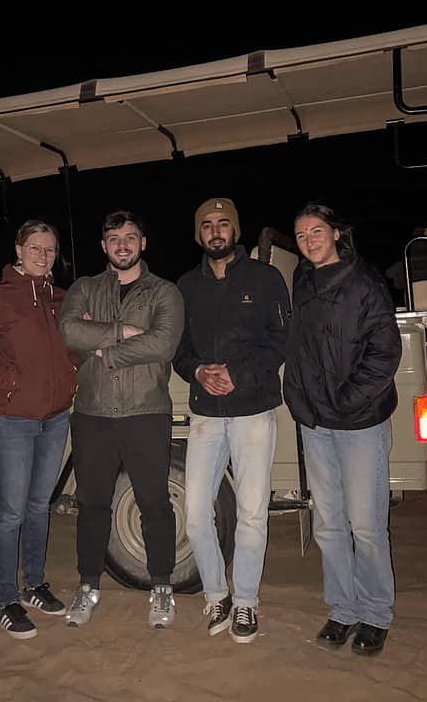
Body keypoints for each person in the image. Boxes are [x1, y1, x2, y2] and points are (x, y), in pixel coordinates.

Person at [282, 202, 402, 657]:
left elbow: (384, 353)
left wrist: (347, 401)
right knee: (329, 523)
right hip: (315, 424)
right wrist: (298, 397)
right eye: (301, 235)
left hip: (359, 424)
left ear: (336, 233)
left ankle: (375, 614)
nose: (309, 240)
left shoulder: (365, 283)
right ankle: (343, 609)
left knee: (366, 524)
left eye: (317, 231)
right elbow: (299, 346)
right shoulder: (302, 281)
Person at [57, 210, 185, 629]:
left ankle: (162, 587)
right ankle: (87, 586)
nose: (123, 245)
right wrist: (127, 332)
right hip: (92, 413)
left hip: (145, 412)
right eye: (114, 238)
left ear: (143, 243)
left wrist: (105, 347)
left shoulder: (165, 291)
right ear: (104, 246)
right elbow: (70, 332)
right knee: (92, 505)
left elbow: (163, 345)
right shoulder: (84, 287)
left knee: (154, 504)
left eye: (131, 237)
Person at [173, 198, 289, 644]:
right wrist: (198, 372)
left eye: (224, 224)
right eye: (207, 225)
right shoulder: (186, 286)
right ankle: (216, 593)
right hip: (205, 413)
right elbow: (179, 349)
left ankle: (245, 603)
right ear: (198, 234)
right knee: (197, 514)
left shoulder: (265, 279)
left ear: (235, 230)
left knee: (251, 514)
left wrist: (237, 375)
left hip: (253, 411)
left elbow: (281, 341)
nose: (216, 231)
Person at [0, 219, 80, 640]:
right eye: (36, 247)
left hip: (55, 418)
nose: (43, 255)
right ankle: (6, 600)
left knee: (38, 507)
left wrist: (75, 372)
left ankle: (34, 585)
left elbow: (74, 350)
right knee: (10, 513)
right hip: (11, 419)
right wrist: (11, 381)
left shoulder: (62, 299)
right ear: (19, 248)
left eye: (49, 249)